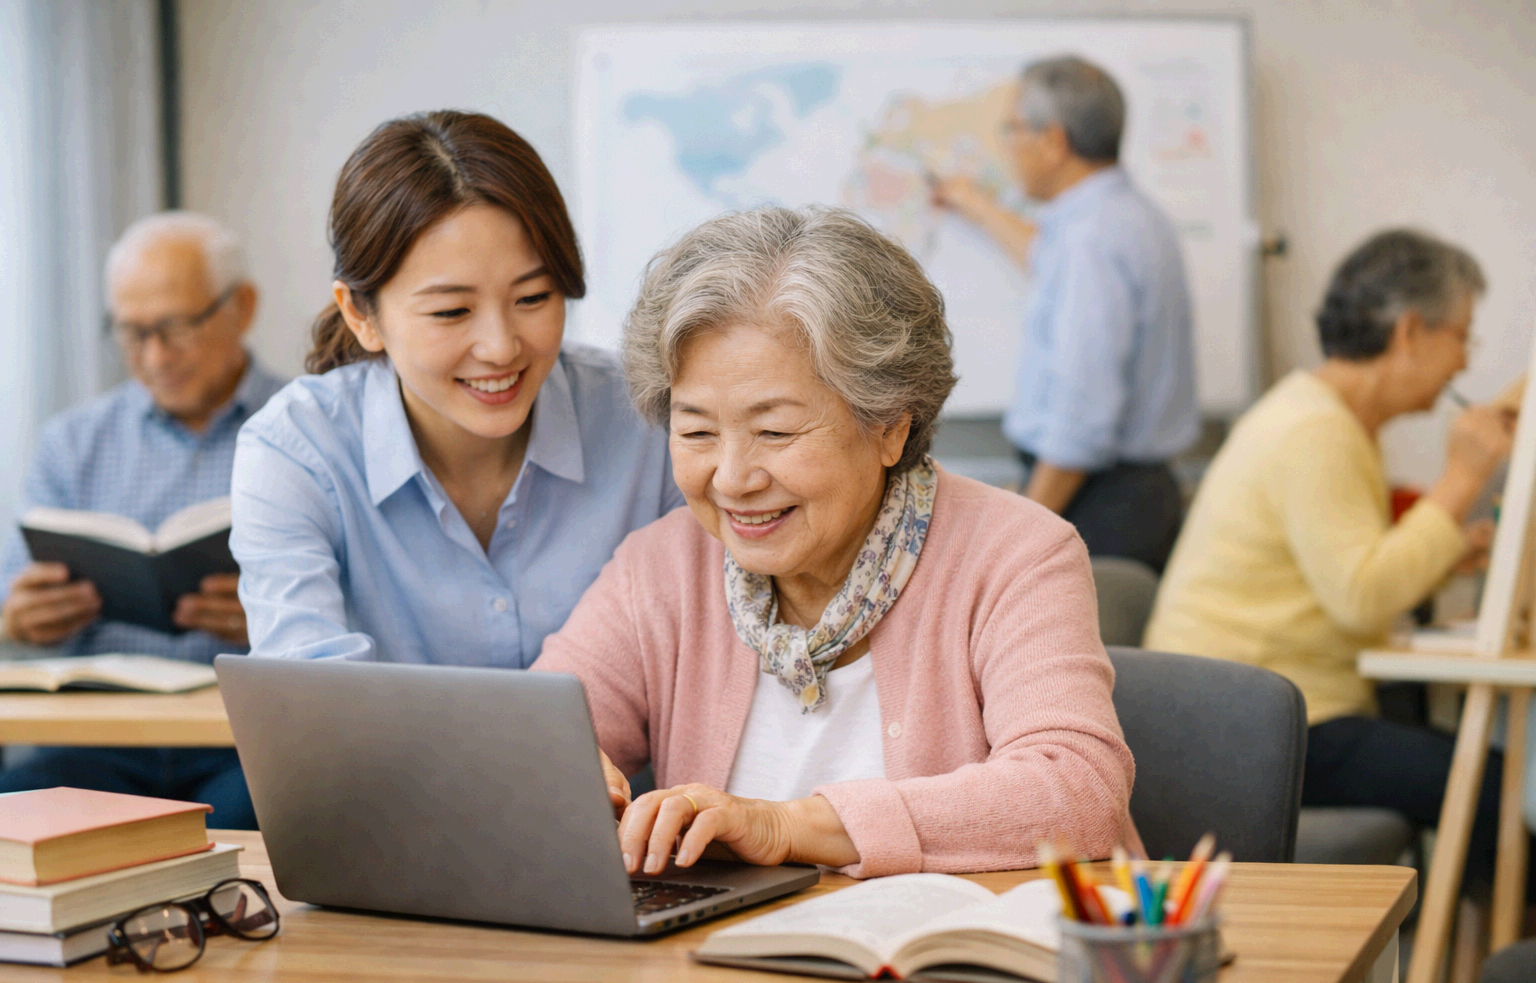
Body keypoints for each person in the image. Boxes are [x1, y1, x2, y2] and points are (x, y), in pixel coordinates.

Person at [532, 206, 1135, 879]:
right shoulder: (662, 567)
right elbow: (531, 735)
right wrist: (562, 772)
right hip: (721, 975)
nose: (731, 478)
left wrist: (786, 826)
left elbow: (1076, 791)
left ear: (890, 427)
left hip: (951, 970)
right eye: (697, 432)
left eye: (776, 432)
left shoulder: (1017, 555)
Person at [1144, 228, 1532, 897]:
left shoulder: (1322, 416)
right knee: (1494, 788)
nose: (1464, 365)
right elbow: (1361, 594)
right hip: (1256, 727)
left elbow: (1344, 576)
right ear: (1411, 331)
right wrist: (1461, 480)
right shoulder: (1315, 430)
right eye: (1461, 337)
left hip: (1273, 708)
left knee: (1475, 773)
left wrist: (1442, 553)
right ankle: (1484, 982)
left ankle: (1468, 977)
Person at [230, 111, 681, 665]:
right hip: (380, 758)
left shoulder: (647, 419)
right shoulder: (297, 448)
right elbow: (310, 698)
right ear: (360, 314)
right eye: (451, 311)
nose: (500, 347)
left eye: (533, 299)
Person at [0, 212, 285, 828]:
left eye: (176, 329)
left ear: (242, 307)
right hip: (95, 745)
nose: (155, 357)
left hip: (245, 745)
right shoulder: (71, 444)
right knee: (16, 804)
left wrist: (276, 620)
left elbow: (370, 614)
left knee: (272, 818)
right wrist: (19, 619)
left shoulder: (305, 430)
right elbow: (8, 608)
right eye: (132, 333)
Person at [933, 55, 1198, 571]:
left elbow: (1081, 420)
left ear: (1053, 141)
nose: (1007, 146)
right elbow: (1045, 258)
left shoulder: (1092, 241)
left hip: (1097, 502)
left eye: (1012, 130)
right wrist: (977, 206)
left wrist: (1022, 528)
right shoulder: (1124, 217)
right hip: (1133, 495)